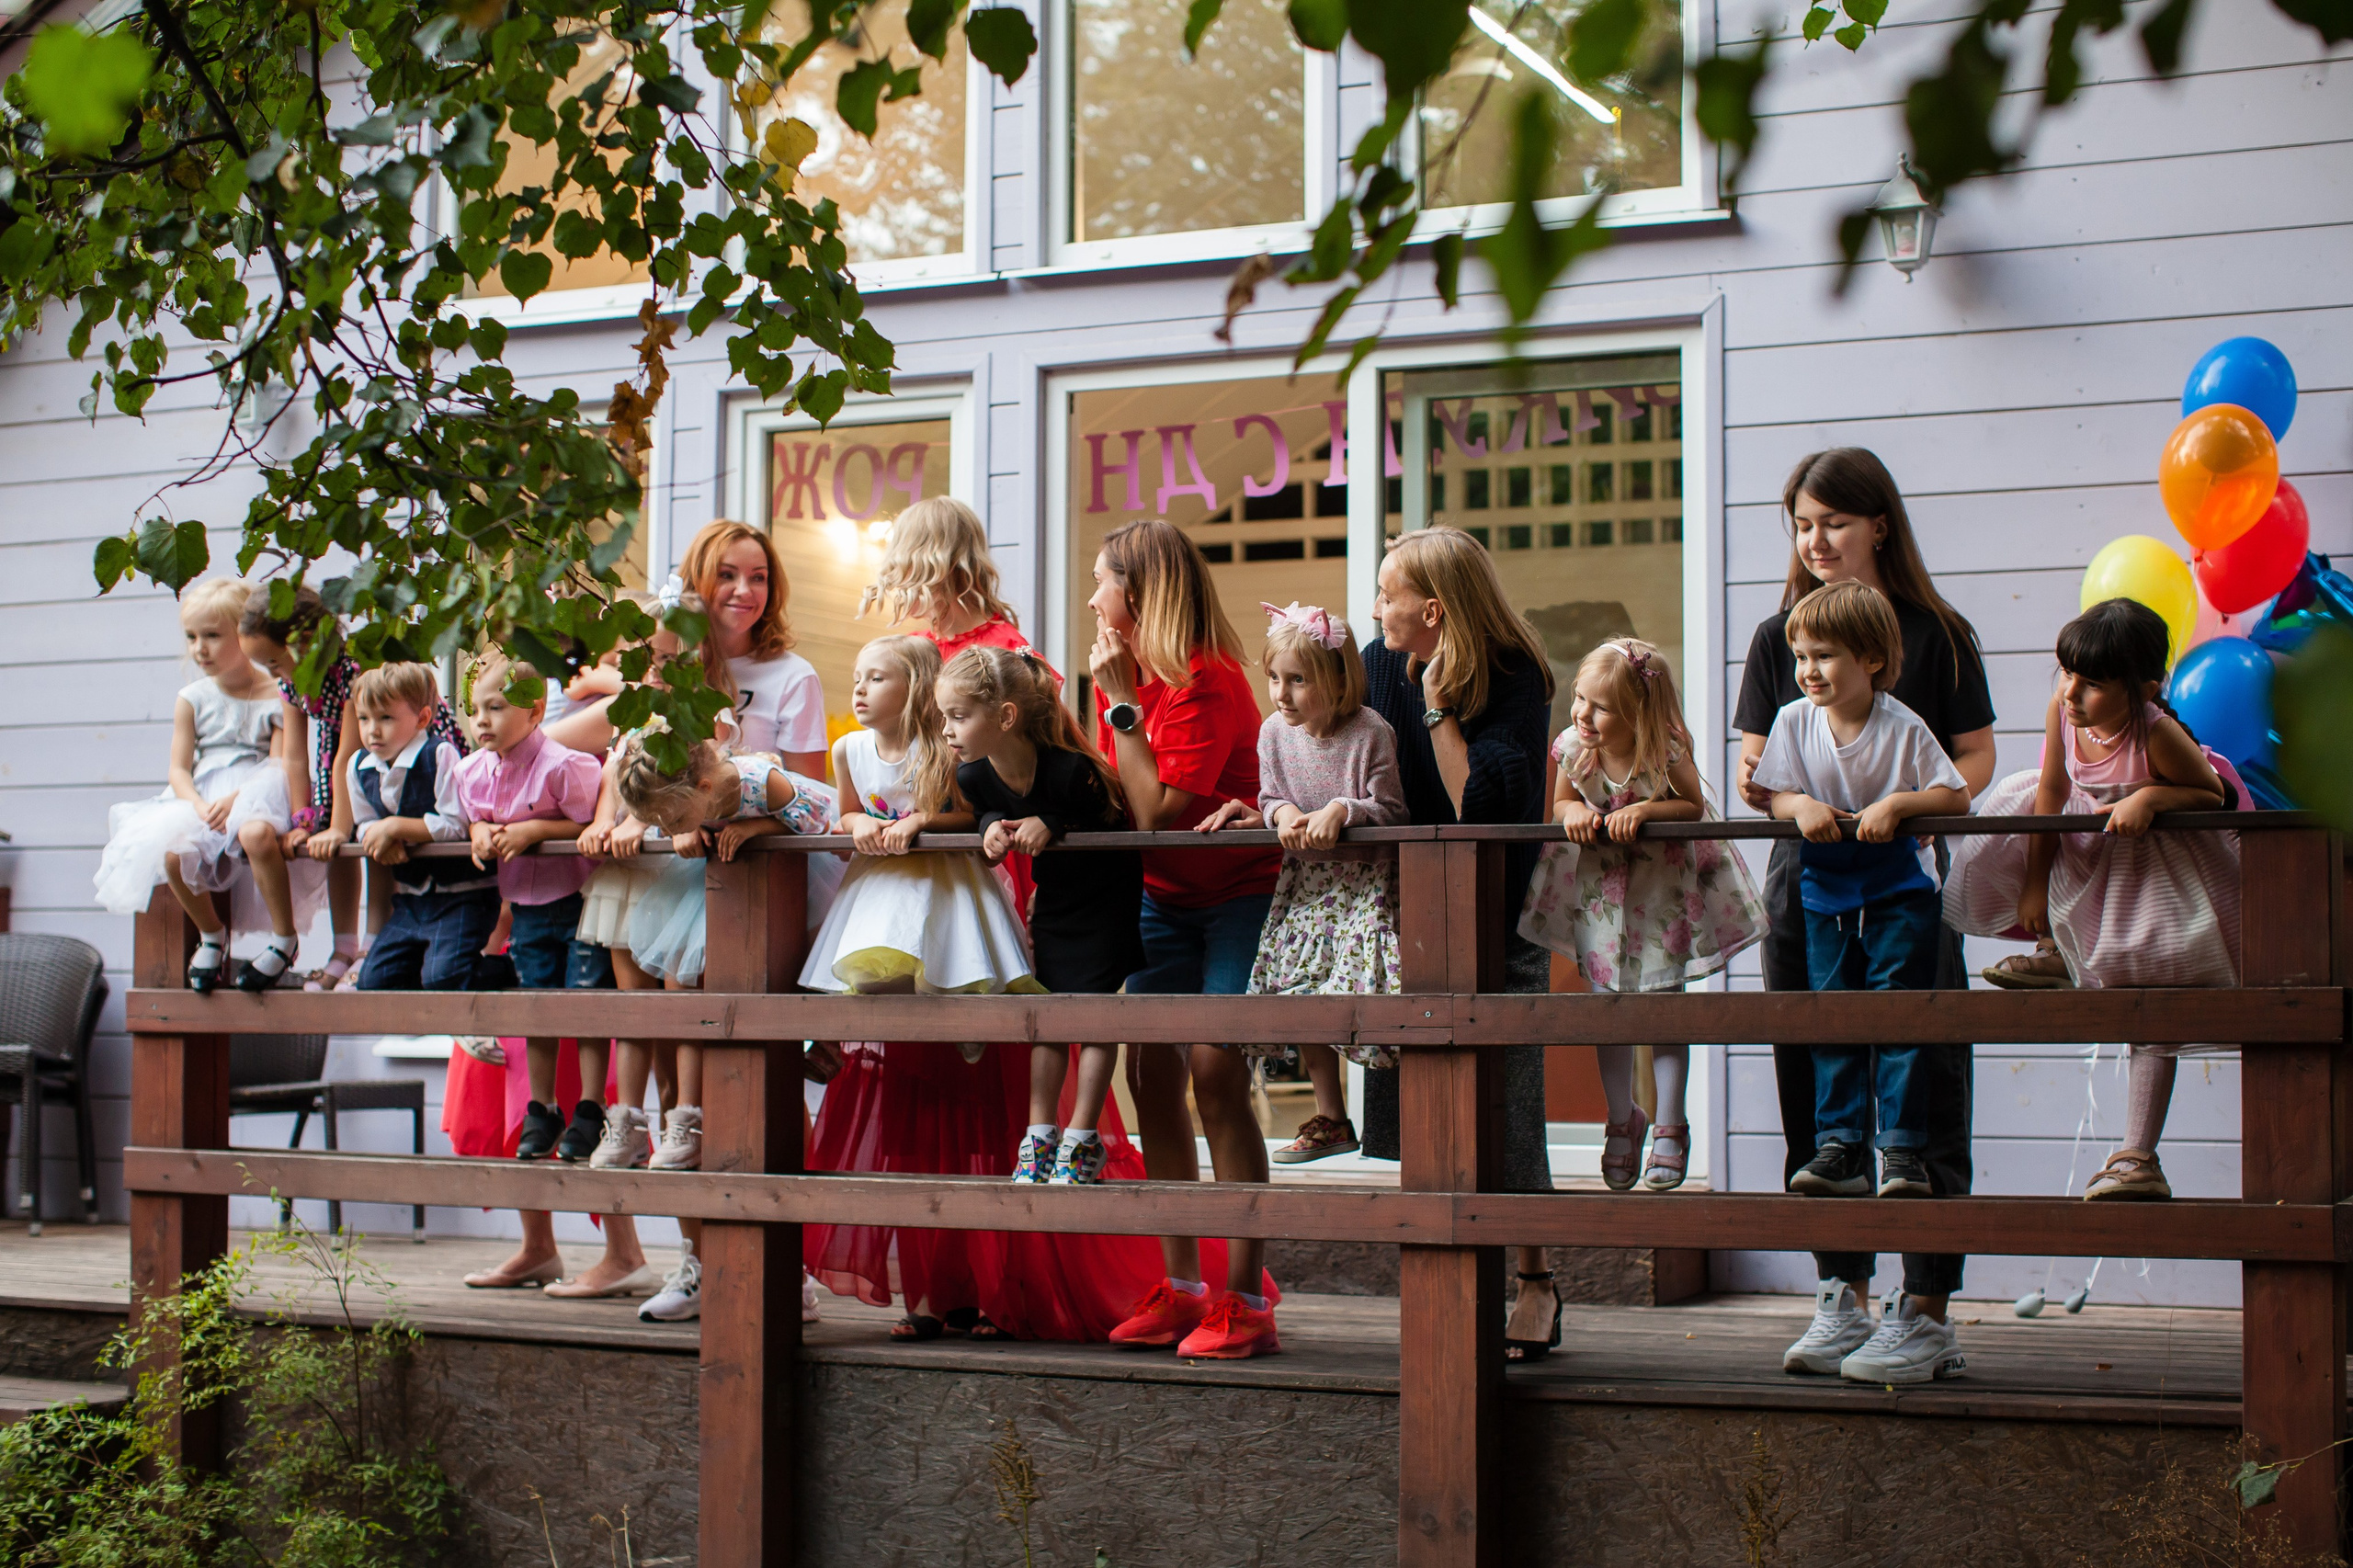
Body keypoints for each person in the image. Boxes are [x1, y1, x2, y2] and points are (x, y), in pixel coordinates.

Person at [1733, 448, 1996, 1385]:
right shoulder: (1780, 636)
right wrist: (1801, 806)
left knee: (1924, 1067)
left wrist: (1904, 800)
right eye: (1801, 524)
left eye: (1832, 522)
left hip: (1906, 878)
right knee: (1816, 1067)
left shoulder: (1938, 633)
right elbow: (1755, 771)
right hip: (1805, 875)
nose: (1815, 540)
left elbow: (1972, 762)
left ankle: (1925, 1306)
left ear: (1878, 522)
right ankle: (1839, 1288)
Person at [1943, 598, 2240, 1202]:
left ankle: (2138, 1154)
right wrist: (2033, 886)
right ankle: (2056, 950)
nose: (2072, 692)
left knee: (2149, 999)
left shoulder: (2157, 731)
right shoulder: (2065, 711)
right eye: (2066, 673)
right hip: (2089, 845)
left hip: (2151, 866)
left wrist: (2151, 798)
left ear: (2144, 688)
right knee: (2019, 810)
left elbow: (2211, 794)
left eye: (2094, 683)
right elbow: (2052, 791)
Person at [1361, 526, 1560, 1363]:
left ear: (1433, 610)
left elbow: (1481, 810)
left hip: (1500, 905)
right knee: (1424, 1105)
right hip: (1414, 907)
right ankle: (1443, 1280)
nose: (1377, 609)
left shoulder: (1515, 672)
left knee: (1508, 1100)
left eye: (1387, 594)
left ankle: (1536, 1279)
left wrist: (1439, 705)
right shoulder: (1376, 660)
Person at [1087, 519, 1285, 1361]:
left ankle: (1246, 1300)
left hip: (1238, 896)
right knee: (1151, 1074)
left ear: (1140, 593)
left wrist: (1122, 710)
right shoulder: (1125, 680)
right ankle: (1185, 1287)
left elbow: (1158, 814)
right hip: (1160, 901)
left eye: (1103, 582)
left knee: (1214, 1070)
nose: (1093, 598)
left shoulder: (1209, 679)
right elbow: (1113, 795)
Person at [1518, 639, 1768, 1192]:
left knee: (1660, 1011)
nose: (1582, 713)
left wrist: (1646, 810)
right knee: (1608, 1012)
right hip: (1602, 896)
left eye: (1600, 707)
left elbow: (1691, 804)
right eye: (1580, 699)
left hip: (1660, 892)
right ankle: (1621, 1119)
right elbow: (1559, 803)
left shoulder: (1665, 750)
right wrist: (1577, 810)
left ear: (1638, 713)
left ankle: (1672, 1126)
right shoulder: (1571, 747)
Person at [609, 734, 835, 1323]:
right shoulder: (692, 795)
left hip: (787, 905)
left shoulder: (759, 780)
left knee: (772, 1082)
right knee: (686, 1060)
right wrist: (683, 829)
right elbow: (680, 819)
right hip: (711, 904)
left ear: (702, 787)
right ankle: (701, 1265)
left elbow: (821, 820)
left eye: (672, 817)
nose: (667, 827)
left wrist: (759, 831)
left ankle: (790, 1267)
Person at [1199, 601, 1406, 1165]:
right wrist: (1282, 813)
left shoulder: (1371, 733)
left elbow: (1390, 810)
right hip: (1306, 886)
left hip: (1363, 888)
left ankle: (1402, 1109)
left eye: (1297, 680)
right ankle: (1331, 1115)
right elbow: (1269, 797)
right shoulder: (1272, 734)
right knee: (1300, 989)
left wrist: (1343, 808)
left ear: (1337, 680)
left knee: (1360, 989)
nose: (1281, 693)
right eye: (1273, 678)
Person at [938, 644, 1142, 1186]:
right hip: (1053, 902)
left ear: (1005, 718)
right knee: (1049, 1014)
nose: (948, 731)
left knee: (1095, 1013)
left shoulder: (1071, 770)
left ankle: (1082, 1135)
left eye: (959, 717)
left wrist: (1051, 820)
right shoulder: (975, 777)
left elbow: (1111, 816)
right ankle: (1039, 1134)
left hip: (1104, 901)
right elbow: (987, 808)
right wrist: (987, 826)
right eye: (945, 718)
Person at [95, 577, 324, 991]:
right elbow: (178, 770)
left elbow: (280, 760)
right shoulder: (192, 698)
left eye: (213, 636)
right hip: (204, 794)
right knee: (172, 855)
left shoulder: (278, 692)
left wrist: (239, 799)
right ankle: (211, 935)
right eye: (192, 637)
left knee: (255, 835)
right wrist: (199, 806)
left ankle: (283, 938)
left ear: (245, 635)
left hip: (261, 786)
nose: (200, 648)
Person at [240, 583, 469, 991]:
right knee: (337, 836)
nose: (273, 673)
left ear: (305, 641)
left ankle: (372, 942)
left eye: (274, 662)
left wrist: (338, 829)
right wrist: (304, 818)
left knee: (363, 834)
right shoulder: (292, 683)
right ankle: (342, 948)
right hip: (355, 759)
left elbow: (352, 752)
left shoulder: (351, 670)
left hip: (406, 756)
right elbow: (295, 755)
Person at [800, 635, 1036, 997]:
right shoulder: (848, 749)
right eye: (857, 679)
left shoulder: (948, 750)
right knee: (875, 969)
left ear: (916, 687)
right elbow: (847, 811)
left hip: (944, 877)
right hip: (880, 878)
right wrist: (860, 822)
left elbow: (972, 816)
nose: (860, 689)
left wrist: (922, 821)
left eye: (876, 679)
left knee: (950, 965)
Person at [448, 652, 611, 1162]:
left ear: (536, 712)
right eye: (475, 710)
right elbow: (474, 817)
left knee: (587, 1002)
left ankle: (589, 1107)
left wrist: (535, 829)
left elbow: (586, 826)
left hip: (580, 900)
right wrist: (479, 833)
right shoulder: (471, 771)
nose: (481, 721)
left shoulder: (566, 766)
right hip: (528, 906)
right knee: (536, 1003)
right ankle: (542, 1108)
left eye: (496, 708)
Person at [343, 663, 500, 991]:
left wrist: (396, 827)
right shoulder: (359, 767)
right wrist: (379, 835)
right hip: (412, 898)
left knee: (444, 978)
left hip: (463, 895)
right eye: (364, 718)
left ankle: (506, 971)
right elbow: (364, 824)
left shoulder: (439, 754)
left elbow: (455, 824)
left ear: (422, 719)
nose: (373, 730)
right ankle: (432, 965)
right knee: (374, 982)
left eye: (386, 718)